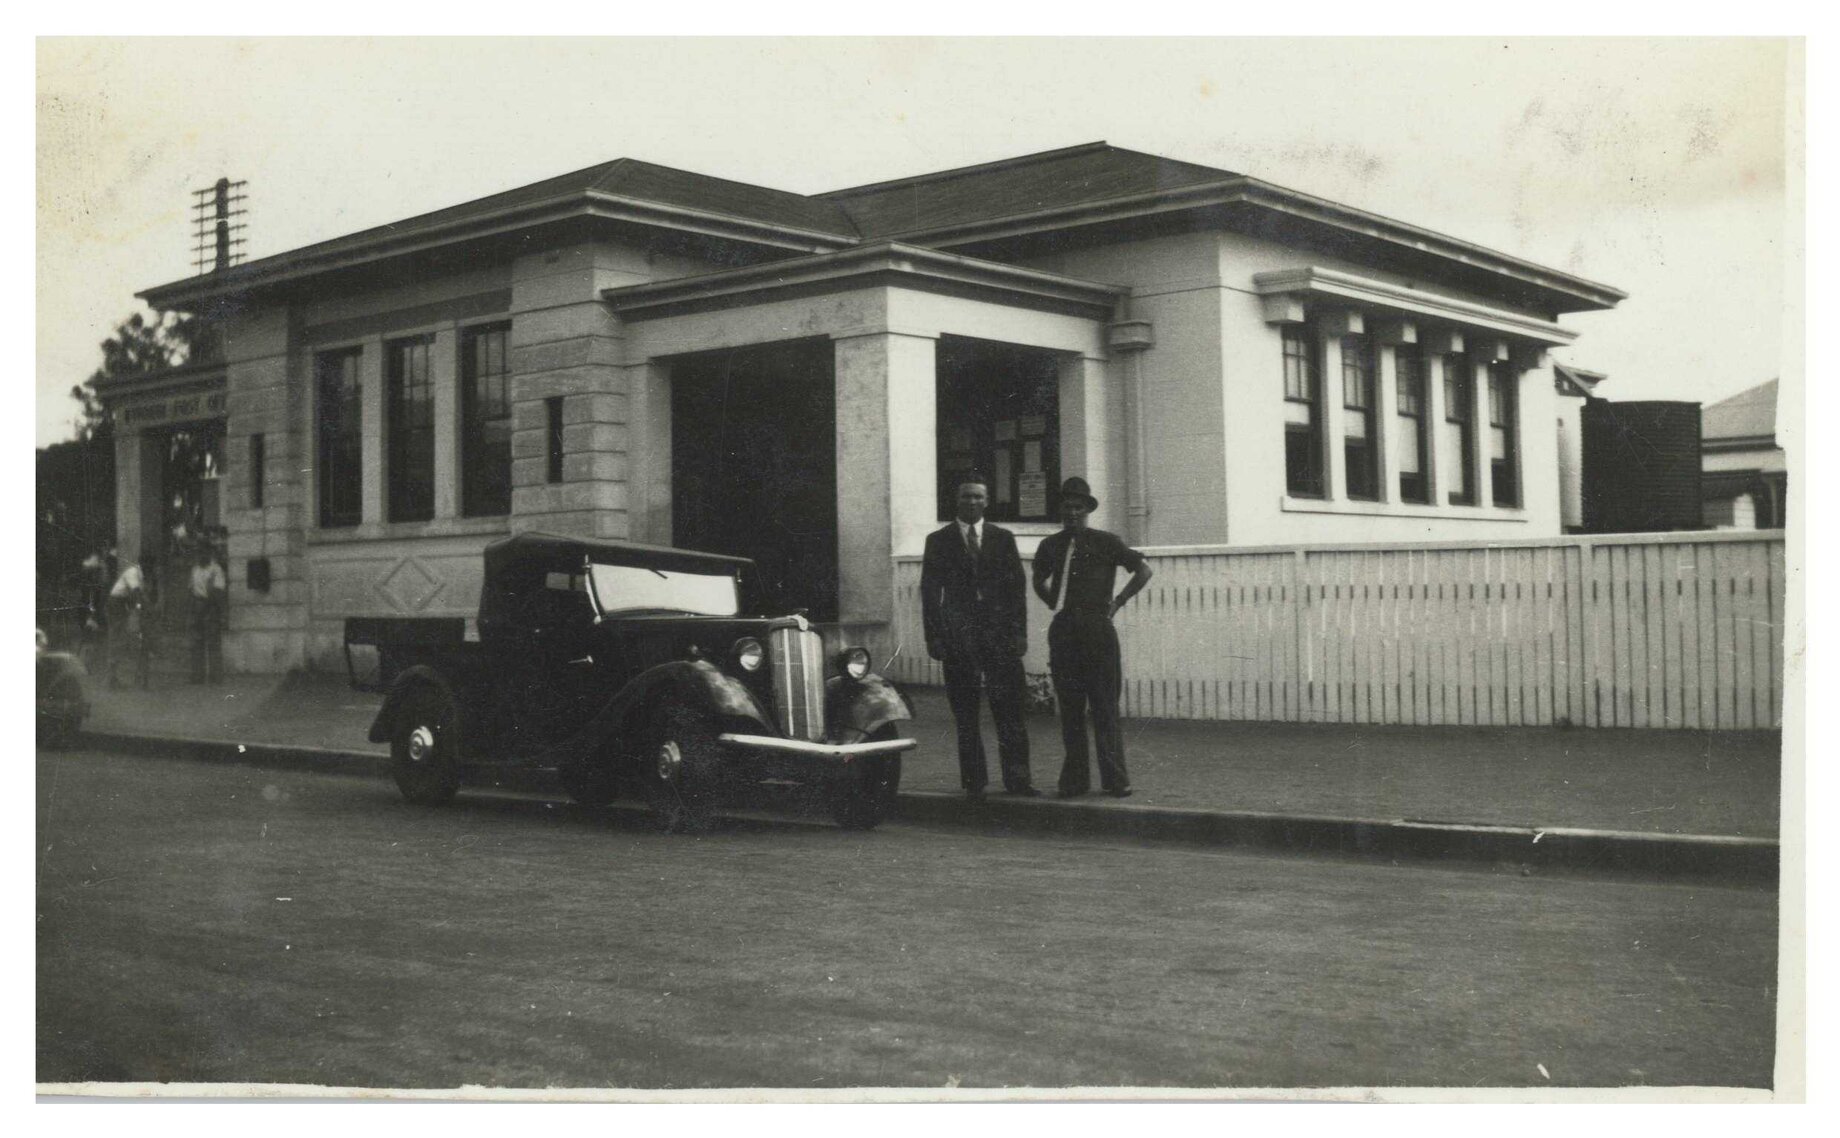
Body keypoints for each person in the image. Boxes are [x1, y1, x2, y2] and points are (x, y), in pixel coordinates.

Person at [1031, 476, 1153, 798]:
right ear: (1060, 510)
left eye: (1078, 507)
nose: (1072, 513)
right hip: (1064, 632)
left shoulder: (1106, 542)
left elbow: (1144, 570)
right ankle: (1075, 780)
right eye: (1067, 507)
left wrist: (1117, 602)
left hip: (1098, 631)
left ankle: (1115, 779)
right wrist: (1052, 601)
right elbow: (1038, 578)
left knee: (1105, 707)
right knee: (1070, 710)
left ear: (1087, 510)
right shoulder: (1050, 546)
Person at [920, 473, 1038, 799]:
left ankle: (1018, 779)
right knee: (966, 712)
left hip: (999, 636)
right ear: (956, 500)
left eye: (977, 497)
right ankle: (974, 782)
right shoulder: (939, 540)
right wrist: (934, 637)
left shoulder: (1003, 538)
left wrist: (1019, 633)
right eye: (966, 496)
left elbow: (1017, 589)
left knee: (1009, 708)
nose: (972, 502)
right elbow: (930, 592)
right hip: (959, 636)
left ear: (986, 501)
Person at [106, 557, 149, 689]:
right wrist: (140, 607)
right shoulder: (133, 572)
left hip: (123, 604)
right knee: (117, 638)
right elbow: (136, 593)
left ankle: (115, 677)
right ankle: (112, 678)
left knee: (121, 638)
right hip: (116, 603)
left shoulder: (141, 575)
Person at [188, 546, 227, 683]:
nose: (200, 555)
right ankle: (197, 676)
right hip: (197, 605)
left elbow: (218, 591)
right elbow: (191, 588)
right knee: (197, 641)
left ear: (209, 553)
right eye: (198, 552)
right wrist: (193, 608)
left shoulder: (216, 569)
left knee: (213, 641)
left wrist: (215, 610)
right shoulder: (195, 569)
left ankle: (215, 676)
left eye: (203, 552)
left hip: (211, 606)